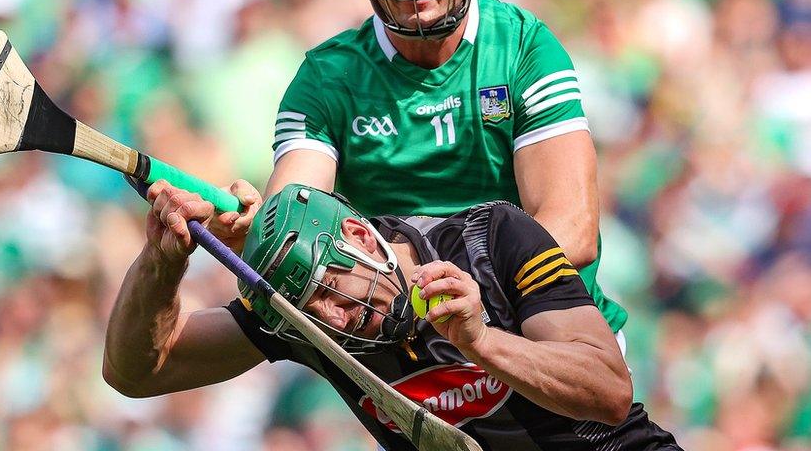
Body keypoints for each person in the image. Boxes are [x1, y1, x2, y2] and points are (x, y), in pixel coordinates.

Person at [216, 0, 629, 346]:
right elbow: (298, 223)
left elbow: (573, 232)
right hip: (419, 349)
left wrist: (442, 282)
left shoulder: (522, 48)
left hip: (544, 333)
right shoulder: (326, 80)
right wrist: (267, 234)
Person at [103, 181, 681, 450]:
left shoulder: (491, 238)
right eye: (312, 308)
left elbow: (608, 390)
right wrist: (162, 262)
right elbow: (136, 372)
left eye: (331, 286)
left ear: (358, 235)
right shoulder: (306, 324)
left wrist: (483, 342)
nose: (333, 315)